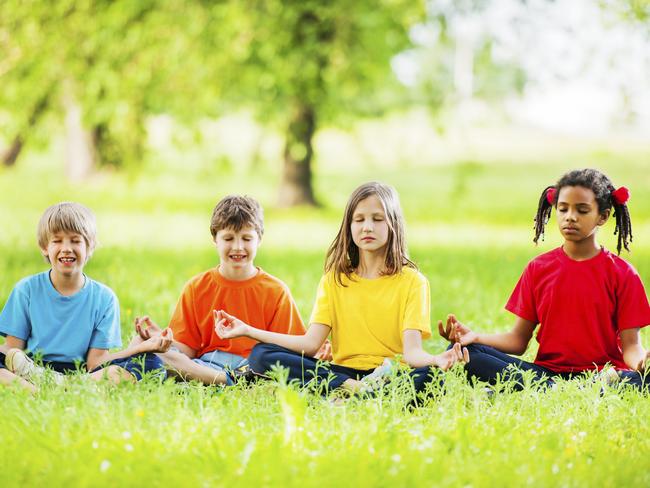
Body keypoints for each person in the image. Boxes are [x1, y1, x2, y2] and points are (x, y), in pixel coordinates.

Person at [215, 182, 468, 395]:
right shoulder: (334, 280)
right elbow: (311, 344)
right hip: (343, 372)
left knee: (429, 379)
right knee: (261, 354)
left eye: (377, 219)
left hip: (391, 373)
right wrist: (248, 330)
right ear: (349, 226)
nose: (367, 227)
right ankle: (355, 389)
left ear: (393, 225)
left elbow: (412, 353)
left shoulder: (413, 282)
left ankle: (346, 393)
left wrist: (436, 360)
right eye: (359, 219)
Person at [439, 168, 650, 390]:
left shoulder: (623, 273)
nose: (570, 216)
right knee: (464, 353)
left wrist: (642, 363)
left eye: (582, 210)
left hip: (605, 375)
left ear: (603, 216)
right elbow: (518, 341)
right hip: (545, 373)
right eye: (563, 209)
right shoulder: (538, 268)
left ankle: (543, 390)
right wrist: (475, 337)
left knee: (638, 382)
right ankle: (556, 389)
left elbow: (631, 347)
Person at [133, 195, 308, 386]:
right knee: (143, 348)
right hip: (205, 365)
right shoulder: (197, 287)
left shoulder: (276, 291)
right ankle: (225, 382)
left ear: (259, 240)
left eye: (247, 238)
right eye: (228, 238)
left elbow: (290, 352)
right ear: (215, 239)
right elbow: (186, 350)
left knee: (280, 369)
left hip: (254, 368)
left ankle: (223, 383)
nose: (238, 247)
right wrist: (162, 340)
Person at [0, 202, 170, 392]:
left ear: (90, 247)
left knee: (152, 365)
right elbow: (13, 352)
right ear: (44, 247)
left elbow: (95, 363)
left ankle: (55, 387)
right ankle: (42, 388)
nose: (66, 248)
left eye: (75, 240)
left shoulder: (104, 298)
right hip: (29, 367)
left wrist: (140, 348)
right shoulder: (26, 289)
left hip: (84, 373)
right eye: (57, 241)